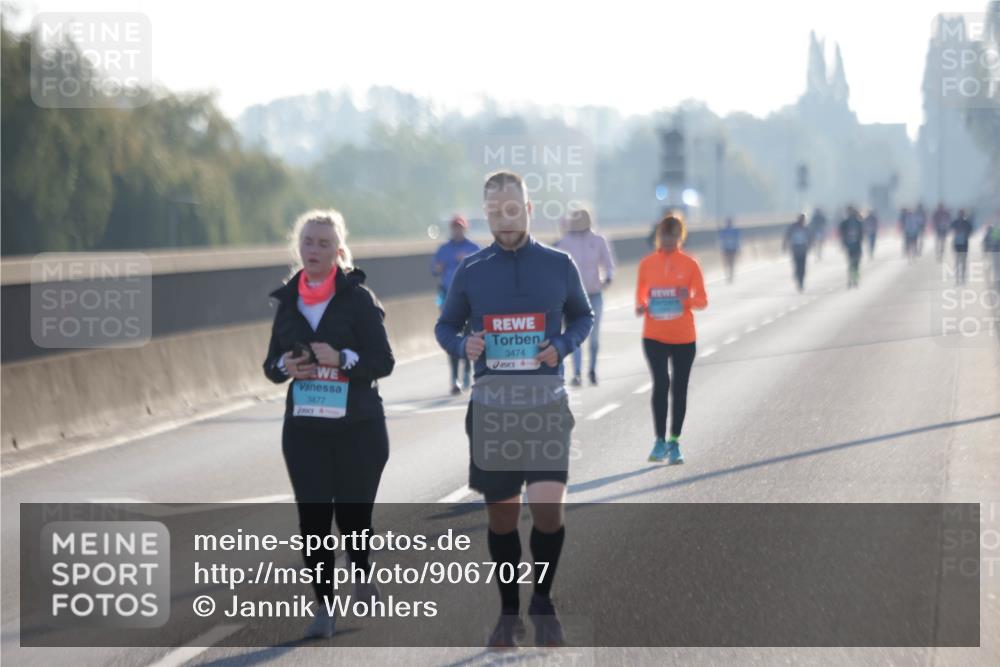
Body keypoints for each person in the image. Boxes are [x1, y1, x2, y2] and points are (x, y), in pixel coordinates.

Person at [435, 170, 593, 648]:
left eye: (513, 208)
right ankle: (509, 614)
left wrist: (562, 345)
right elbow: (445, 328)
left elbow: (583, 316)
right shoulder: (471, 270)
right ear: (486, 214)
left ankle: (542, 599)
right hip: (493, 410)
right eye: (495, 210)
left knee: (547, 511)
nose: (505, 217)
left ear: (528, 209)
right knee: (502, 518)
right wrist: (467, 344)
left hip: (545, 405)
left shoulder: (559, 263)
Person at [262, 209, 395, 640]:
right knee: (314, 516)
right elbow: (269, 365)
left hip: (359, 426)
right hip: (304, 428)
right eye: (307, 243)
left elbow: (383, 361)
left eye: (323, 244)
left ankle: (361, 569)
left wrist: (343, 360)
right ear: (298, 249)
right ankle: (324, 603)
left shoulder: (358, 299)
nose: (314, 250)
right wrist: (285, 364)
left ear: (338, 252)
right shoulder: (287, 301)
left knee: (353, 514)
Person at [635, 212, 708, 465]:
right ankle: (658, 440)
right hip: (654, 335)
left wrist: (685, 299)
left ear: (681, 236)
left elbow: (702, 300)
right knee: (661, 383)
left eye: (674, 235)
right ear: (659, 236)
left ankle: (674, 441)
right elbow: (640, 297)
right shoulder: (646, 264)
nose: (669, 240)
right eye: (665, 235)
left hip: (684, 337)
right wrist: (642, 306)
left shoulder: (690, 264)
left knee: (679, 388)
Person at [555, 205, 615, 386]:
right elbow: (559, 267)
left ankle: (593, 369)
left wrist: (607, 278)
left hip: (595, 294)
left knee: (594, 336)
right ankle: (578, 372)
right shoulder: (565, 242)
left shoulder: (598, 240)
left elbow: (608, 263)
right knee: (575, 334)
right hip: (573, 296)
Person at [432, 215, 481, 394]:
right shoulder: (443, 249)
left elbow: (484, 271)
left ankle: (467, 372)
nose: (457, 230)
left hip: (469, 298)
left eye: (460, 227)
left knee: (468, 335)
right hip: (447, 296)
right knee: (451, 335)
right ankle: (454, 378)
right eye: (455, 227)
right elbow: (433, 270)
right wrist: (441, 266)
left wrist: (466, 261)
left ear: (465, 229)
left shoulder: (473, 248)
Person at [783, 213, 813, 292]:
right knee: (797, 266)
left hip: (803, 249)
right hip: (795, 249)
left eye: (803, 220)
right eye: (801, 219)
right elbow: (787, 236)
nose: (802, 221)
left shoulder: (806, 228)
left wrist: (809, 246)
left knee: (802, 267)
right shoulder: (793, 227)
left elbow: (810, 238)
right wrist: (785, 245)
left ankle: (801, 282)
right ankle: (797, 276)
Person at [839, 206, 865, 288]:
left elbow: (861, 233)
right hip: (849, 246)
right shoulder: (845, 223)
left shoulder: (858, 222)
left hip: (857, 245)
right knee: (851, 264)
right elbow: (841, 233)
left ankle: (855, 279)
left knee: (856, 264)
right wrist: (843, 243)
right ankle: (850, 279)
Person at [951, 209, 974, 286]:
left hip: (964, 243)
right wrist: (956, 231)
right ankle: (957, 277)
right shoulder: (955, 222)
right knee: (957, 260)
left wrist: (966, 233)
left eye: (962, 214)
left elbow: (971, 230)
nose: (961, 215)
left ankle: (963, 277)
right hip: (957, 243)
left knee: (963, 261)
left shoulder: (966, 222)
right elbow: (951, 228)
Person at [717, 216, 742, 283]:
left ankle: (730, 276)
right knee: (726, 263)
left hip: (733, 249)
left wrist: (739, 248)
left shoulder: (735, 230)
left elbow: (738, 240)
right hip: (725, 249)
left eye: (729, 222)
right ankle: (727, 276)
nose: (728, 223)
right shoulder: (723, 230)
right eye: (728, 222)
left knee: (731, 263)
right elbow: (720, 239)